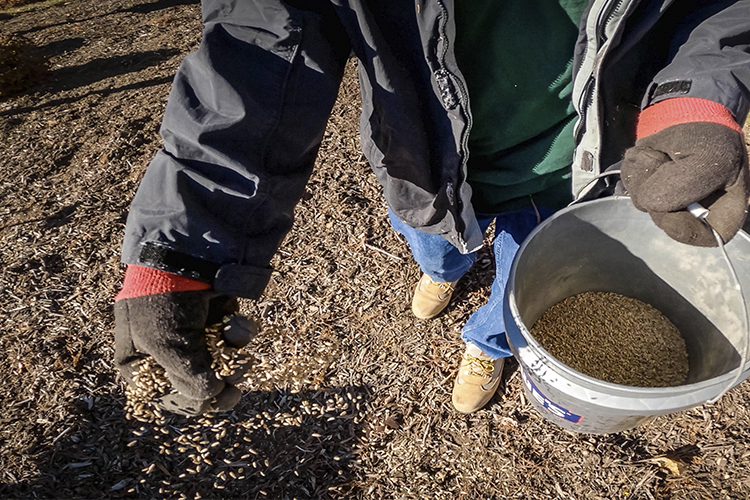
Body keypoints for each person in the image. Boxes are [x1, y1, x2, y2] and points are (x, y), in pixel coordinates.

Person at [114, 0, 750, 416]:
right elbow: (260, 41)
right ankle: (442, 271)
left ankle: (488, 343)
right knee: (432, 240)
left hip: (577, 165)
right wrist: (179, 246)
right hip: (422, 163)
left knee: (523, 281)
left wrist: (688, 101)